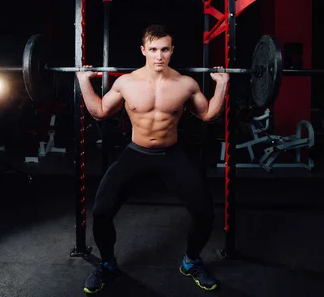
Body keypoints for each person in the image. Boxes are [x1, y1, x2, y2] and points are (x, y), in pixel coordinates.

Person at [76, 24, 229, 293]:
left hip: (171, 154)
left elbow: (207, 115)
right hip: (136, 153)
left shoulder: (185, 84)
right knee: (101, 212)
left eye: (165, 50)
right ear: (143, 50)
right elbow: (100, 112)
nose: (159, 56)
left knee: (205, 212)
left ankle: (191, 261)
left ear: (172, 51)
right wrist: (83, 81)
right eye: (154, 49)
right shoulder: (126, 82)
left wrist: (222, 86)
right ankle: (108, 264)